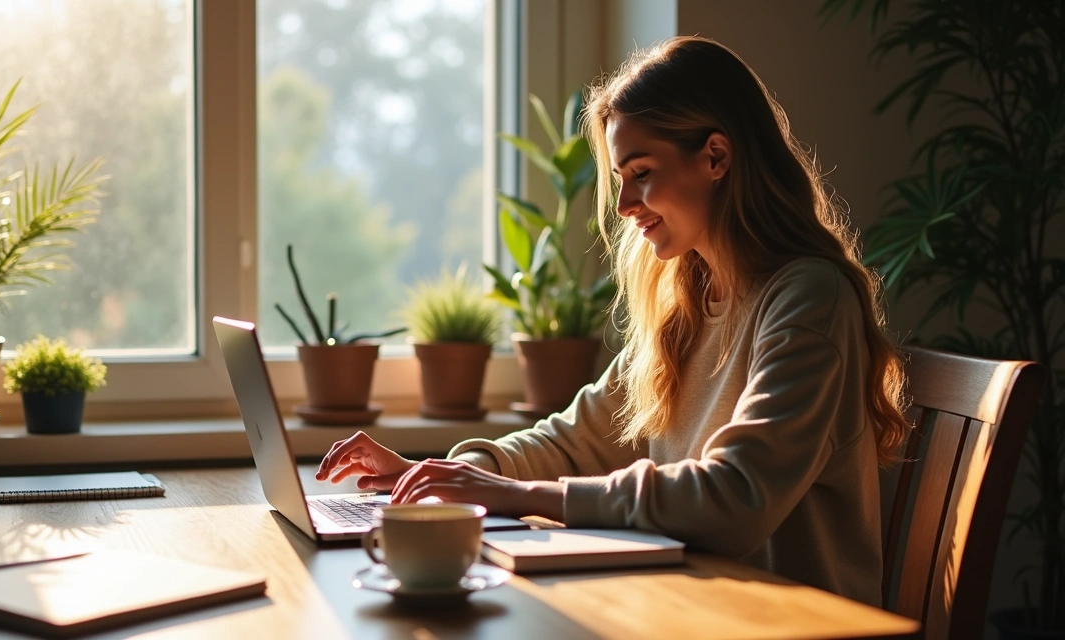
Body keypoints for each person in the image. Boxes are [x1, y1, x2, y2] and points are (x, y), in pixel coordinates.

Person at [315, 35, 909, 606]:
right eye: (622, 179)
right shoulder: (688, 305)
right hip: (687, 608)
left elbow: (737, 498)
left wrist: (515, 494)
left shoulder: (810, 299)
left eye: (641, 172)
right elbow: (579, 437)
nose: (625, 206)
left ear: (717, 157)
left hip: (788, 625)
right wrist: (452, 477)